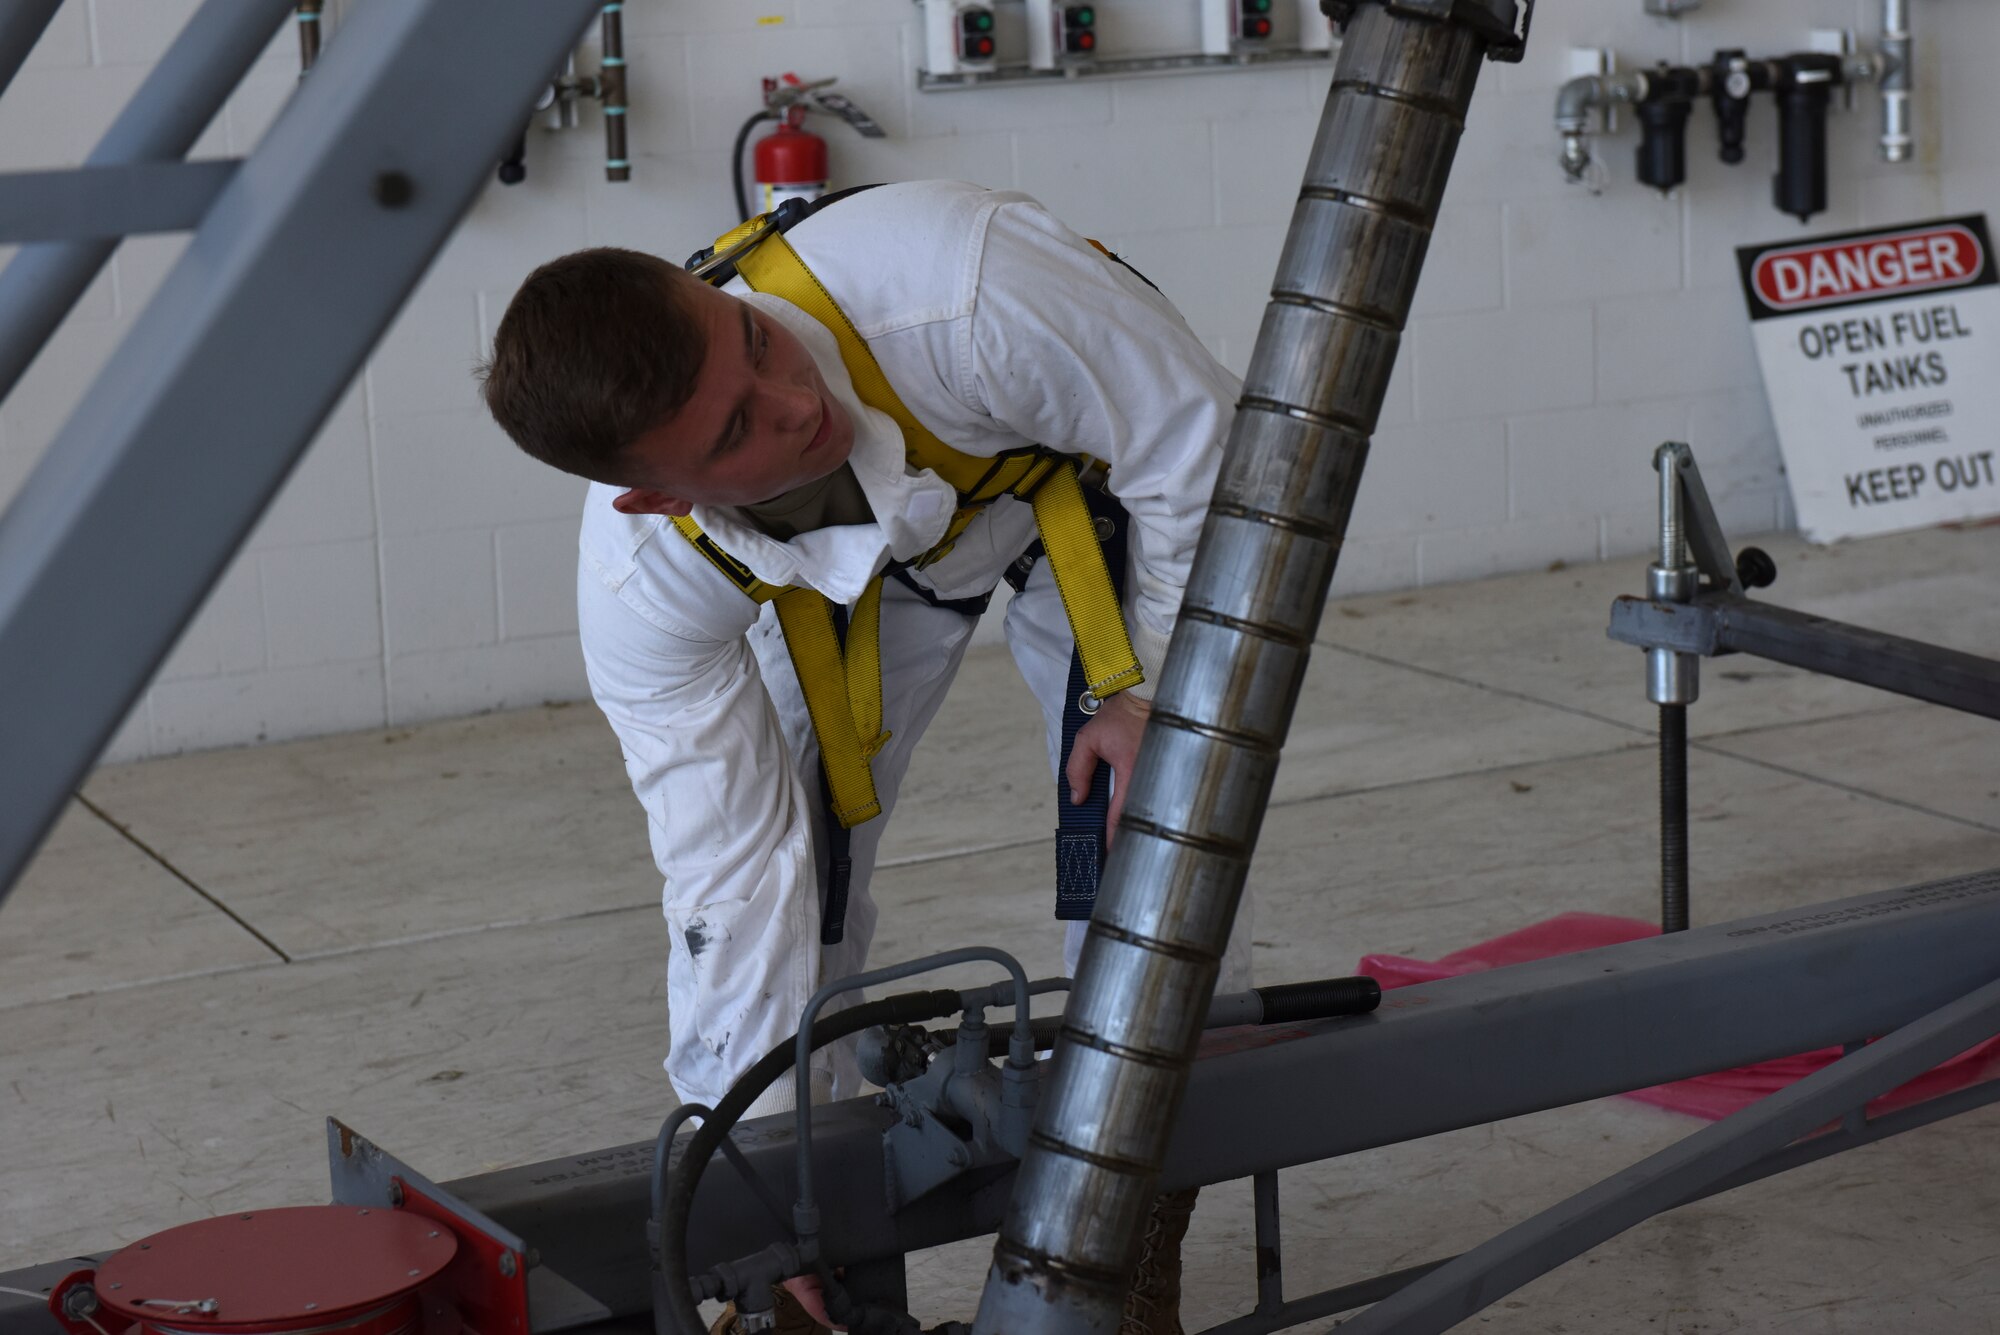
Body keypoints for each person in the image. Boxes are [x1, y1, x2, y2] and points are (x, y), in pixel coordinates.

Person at [481, 179, 1248, 1334]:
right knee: (797, 868)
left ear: (712, 291)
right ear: (653, 498)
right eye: (734, 430)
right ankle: (801, 1242)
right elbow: (728, 874)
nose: (790, 404)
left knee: (1152, 832)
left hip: (1081, 496)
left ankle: (1130, 1227)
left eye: (756, 343)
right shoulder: (644, 582)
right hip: (864, 568)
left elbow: (1203, 448)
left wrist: (1157, 691)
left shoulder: (961, 290)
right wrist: (745, 1173)